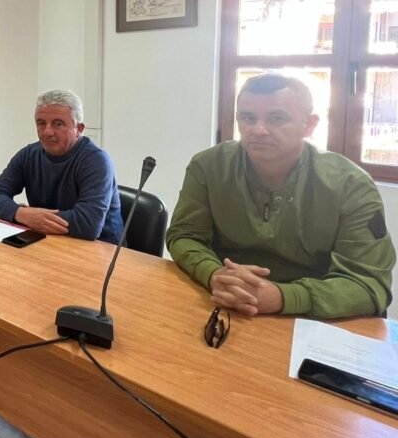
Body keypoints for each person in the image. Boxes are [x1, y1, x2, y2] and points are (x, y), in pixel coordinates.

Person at [166, 73, 395, 319]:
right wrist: (213, 274)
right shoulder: (209, 166)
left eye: (276, 118)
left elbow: (368, 283)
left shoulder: (351, 185)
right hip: (225, 303)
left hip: (312, 316)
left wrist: (283, 297)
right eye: (248, 118)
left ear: (309, 125)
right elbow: (184, 235)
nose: (258, 130)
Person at [0, 89, 122, 243]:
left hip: (100, 248)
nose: (47, 132)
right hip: (47, 240)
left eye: (58, 124)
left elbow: (89, 224)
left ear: (79, 129)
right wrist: (20, 213)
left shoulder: (96, 161)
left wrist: (33, 217)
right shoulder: (29, 155)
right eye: (41, 123)